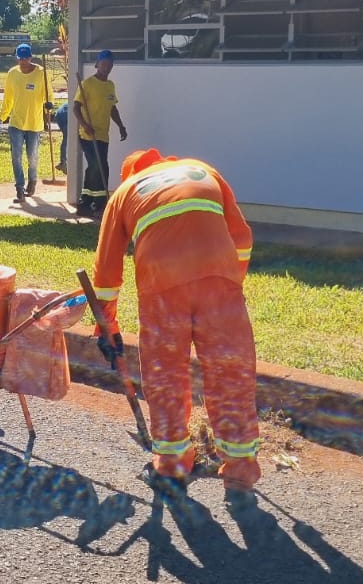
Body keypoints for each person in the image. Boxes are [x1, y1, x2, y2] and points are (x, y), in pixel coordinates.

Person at [89, 148, 260, 504]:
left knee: (165, 375)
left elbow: (106, 276)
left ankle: (171, 468)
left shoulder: (125, 193)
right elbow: (242, 238)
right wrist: (229, 282)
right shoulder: (202, 169)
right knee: (231, 374)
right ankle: (241, 472)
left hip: (162, 287)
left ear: (131, 173)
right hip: (220, 283)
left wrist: (106, 327)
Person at [72, 50, 129, 218]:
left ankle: (86, 201)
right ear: (97, 65)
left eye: (110, 65)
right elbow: (76, 107)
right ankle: (99, 202)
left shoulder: (110, 85)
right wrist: (85, 125)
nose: (107, 68)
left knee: (97, 166)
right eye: (104, 64)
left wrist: (121, 126)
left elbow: (112, 108)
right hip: (87, 134)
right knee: (99, 165)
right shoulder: (88, 84)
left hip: (103, 134)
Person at [0, 43, 50, 203]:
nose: (24, 62)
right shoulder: (13, 74)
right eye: (21, 59)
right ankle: (19, 188)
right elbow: (8, 99)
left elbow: (49, 94)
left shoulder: (41, 73)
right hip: (16, 122)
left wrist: (49, 104)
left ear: (31, 57)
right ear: (17, 58)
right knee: (16, 156)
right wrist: (0, 118)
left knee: (32, 156)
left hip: (34, 123)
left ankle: (32, 182)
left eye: (26, 58)